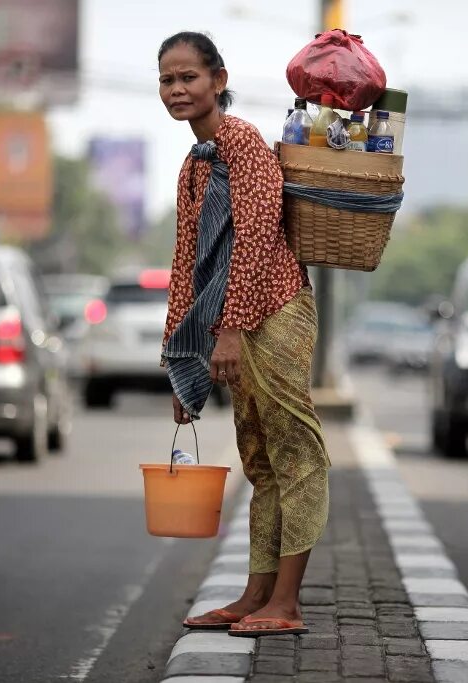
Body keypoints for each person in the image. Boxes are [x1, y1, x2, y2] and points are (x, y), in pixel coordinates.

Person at [157, 32, 330, 638]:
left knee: (295, 453)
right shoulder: (195, 162)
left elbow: (256, 241)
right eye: (167, 81)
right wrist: (179, 360)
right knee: (258, 459)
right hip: (229, 324)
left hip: (274, 310)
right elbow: (185, 263)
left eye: (189, 79)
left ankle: (287, 603)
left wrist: (230, 331)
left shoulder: (246, 146)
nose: (177, 90)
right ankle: (256, 597)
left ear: (218, 81)